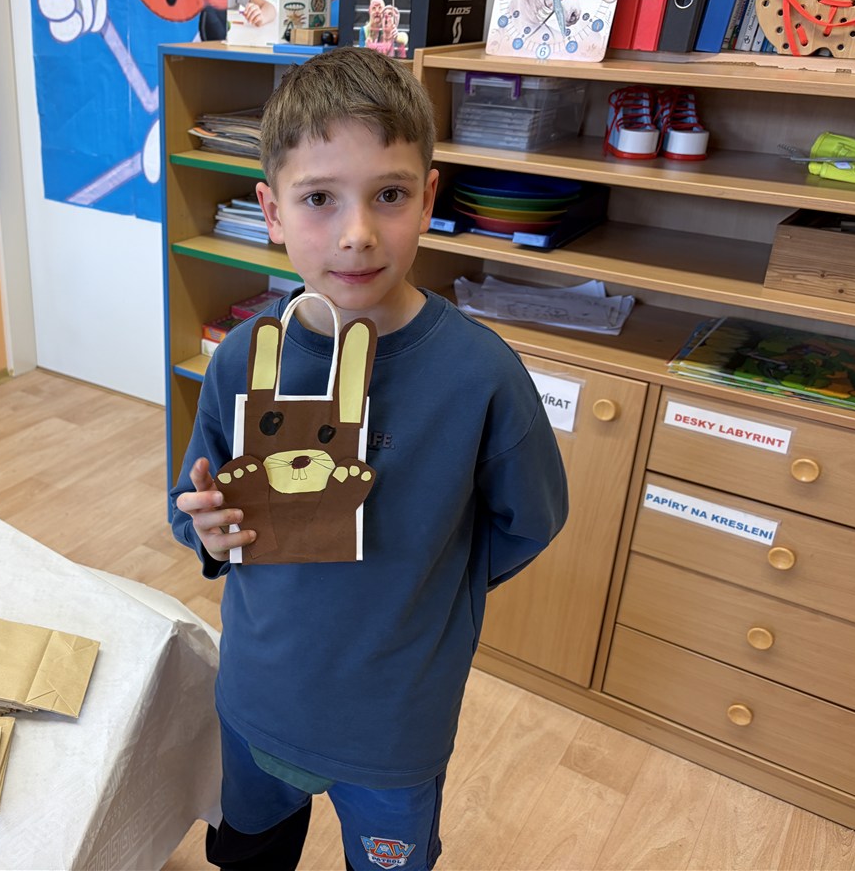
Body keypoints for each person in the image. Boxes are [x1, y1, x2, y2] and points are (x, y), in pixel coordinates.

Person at [170, 46, 568, 871]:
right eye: (319, 198)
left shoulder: (481, 377)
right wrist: (207, 531)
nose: (356, 235)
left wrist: (433, 583)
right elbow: (194, 502)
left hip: (393, 725)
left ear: (427, 199)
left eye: (389, 194)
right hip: (257, 698)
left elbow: (529, 521)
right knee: (248, 852)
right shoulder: (242, 360)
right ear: (271, 211)